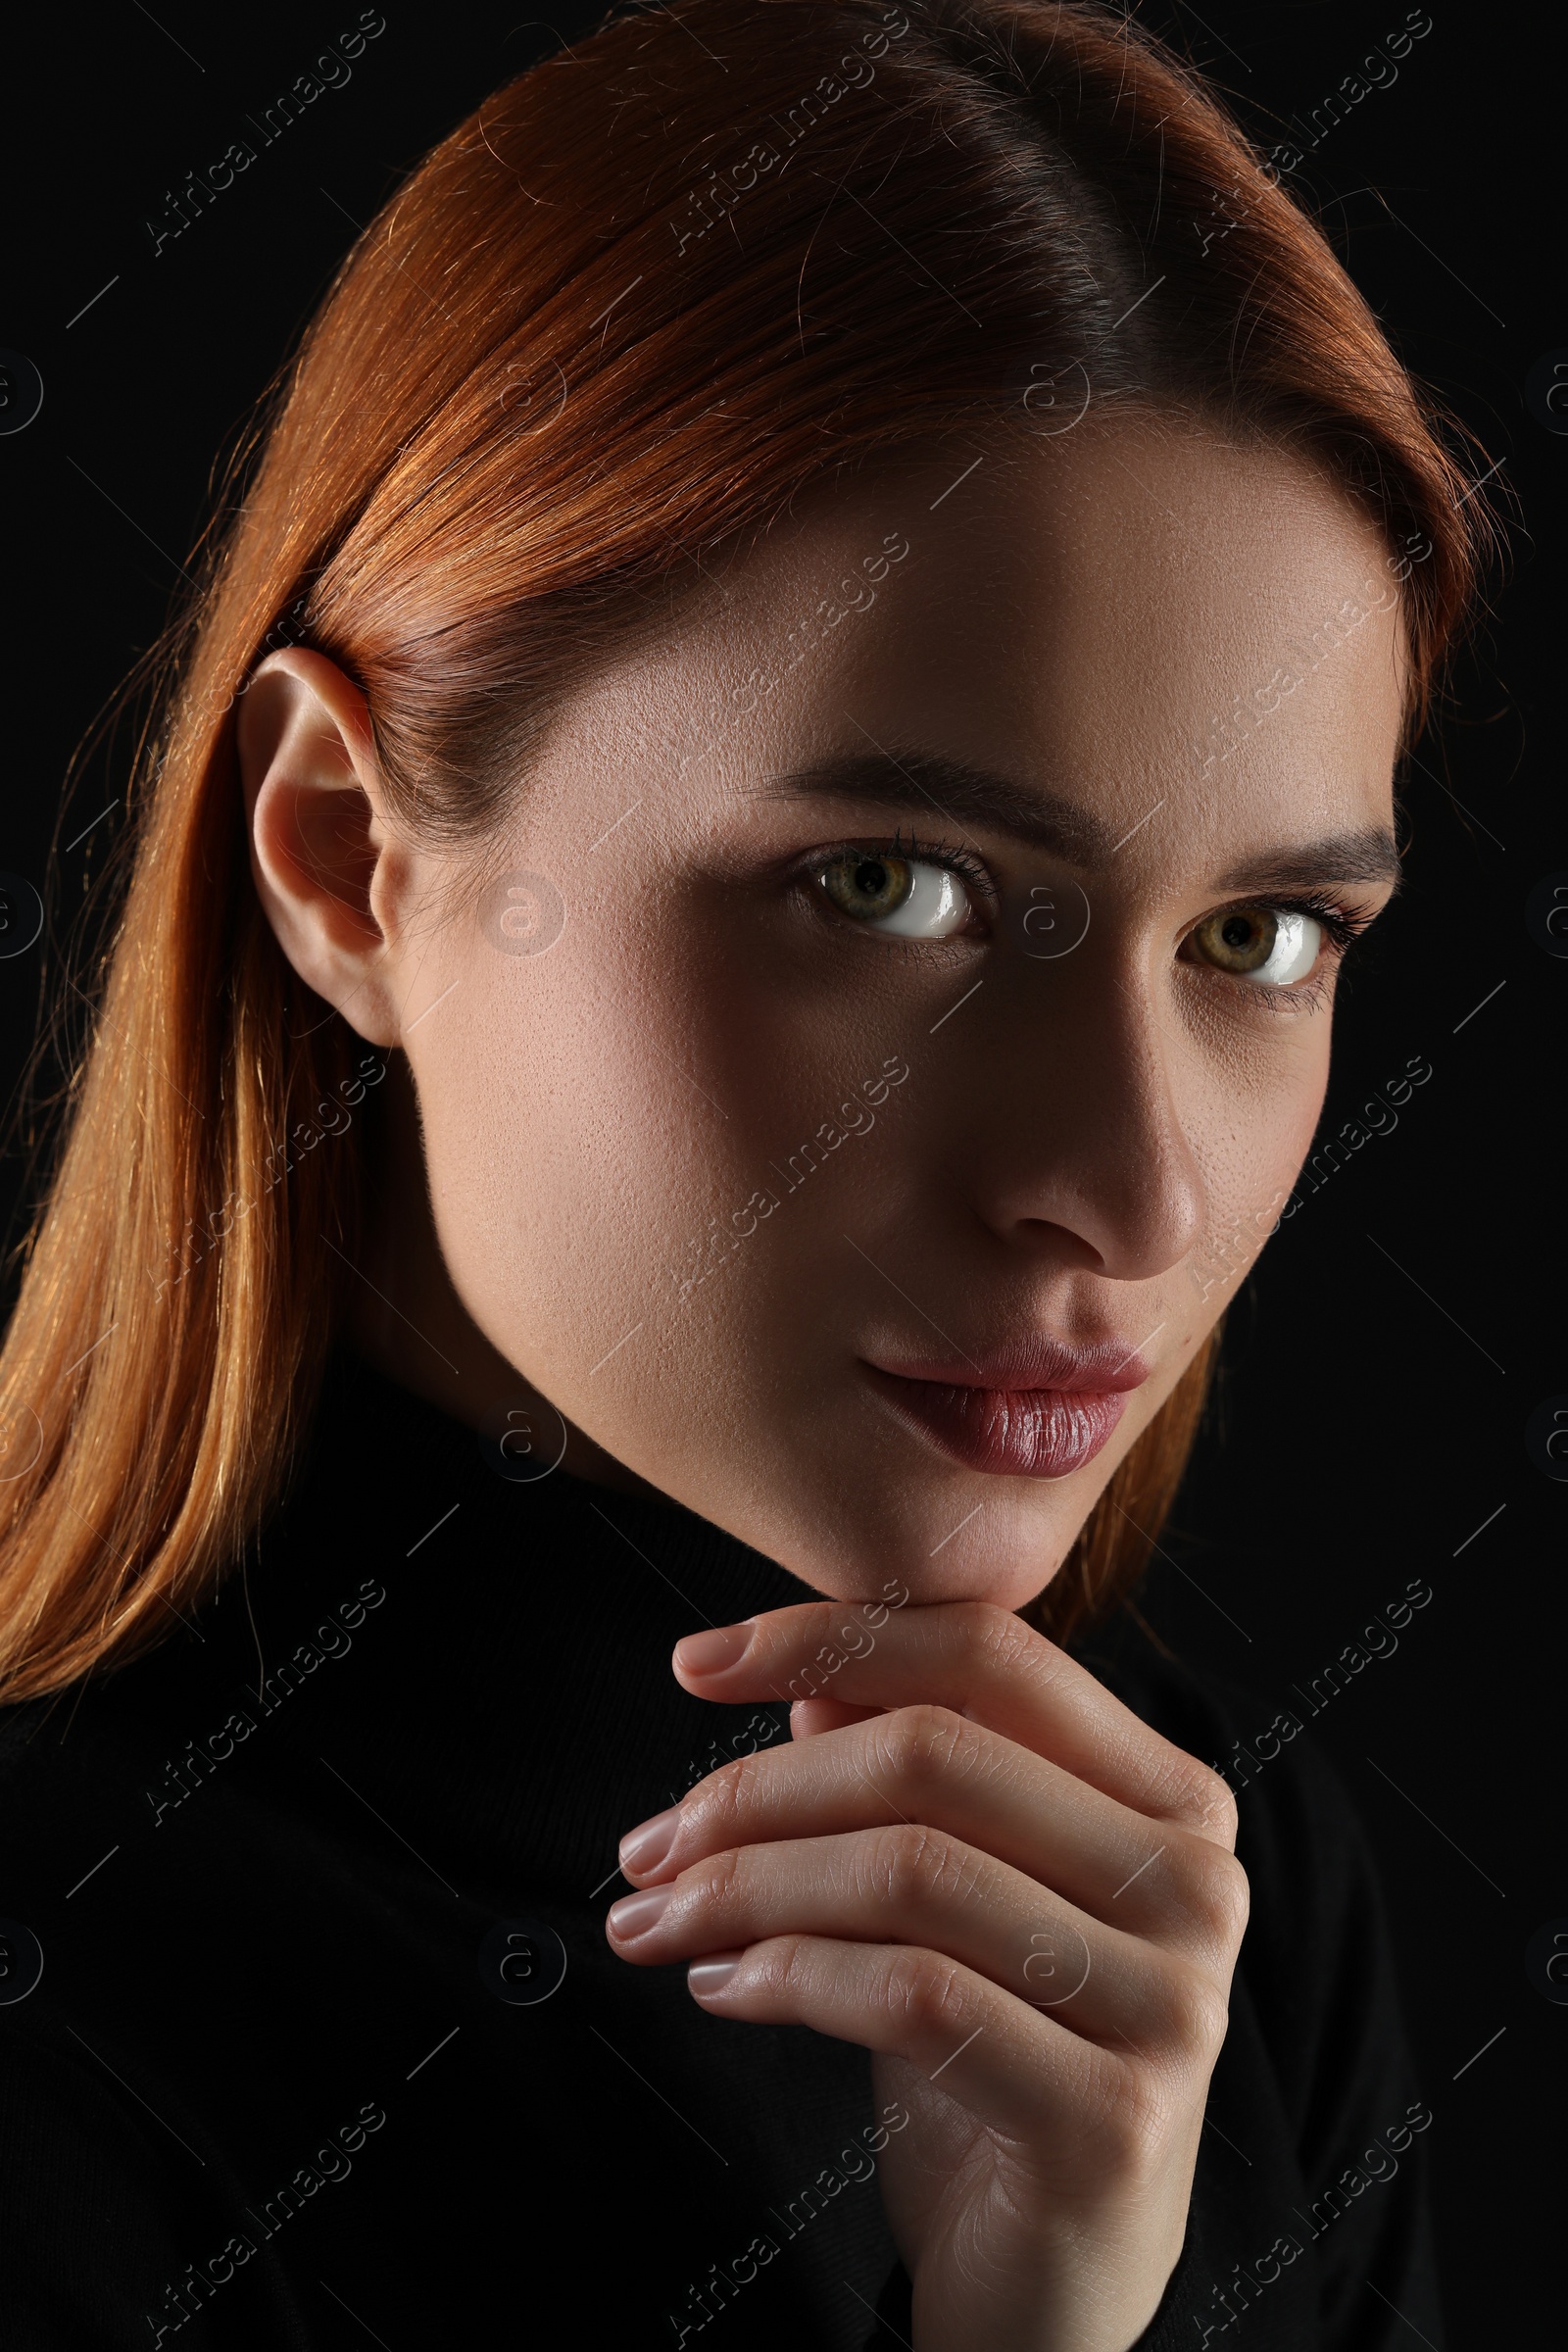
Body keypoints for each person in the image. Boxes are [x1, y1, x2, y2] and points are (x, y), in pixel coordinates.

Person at [0, 3, 1489, 2344]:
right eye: (882, 889)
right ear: (339, 857)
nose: (1131, 1191)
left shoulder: (1199, 1903)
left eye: (1259, 937)